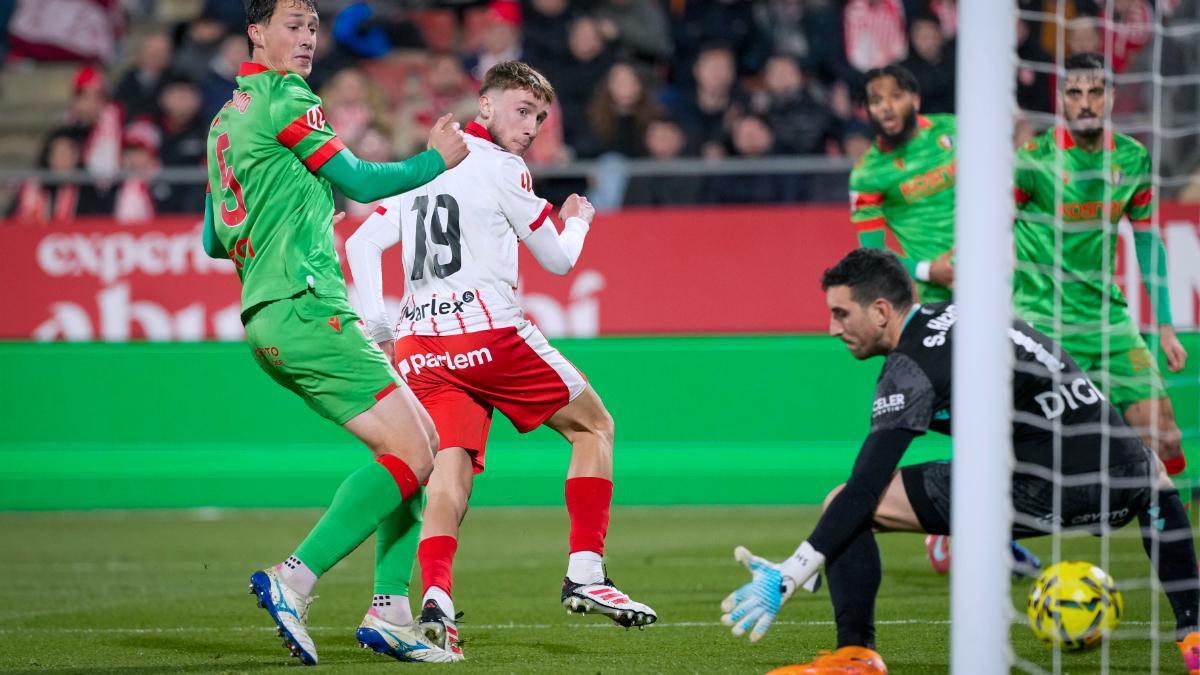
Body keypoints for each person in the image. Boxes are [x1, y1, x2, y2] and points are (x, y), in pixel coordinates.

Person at [720, 248, 1200, 674]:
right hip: (1123, 473)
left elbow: (866, 485)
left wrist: (791, 573)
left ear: (882, 311)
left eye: (842, 314)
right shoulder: (957, 317)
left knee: (845, 503)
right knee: (1155, 475)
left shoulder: (911, 366)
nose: (833, 329)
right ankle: (1195, 631)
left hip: (1036, 485)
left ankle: (855, 658)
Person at [345, 60, 657, 660]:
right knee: (595, 426)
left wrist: (380, 329)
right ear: (483, 108)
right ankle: (586, 572)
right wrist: (578, 223)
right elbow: (560, 261)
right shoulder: (504, 169)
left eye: (539, 117)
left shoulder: (423, 166)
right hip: (487, 335)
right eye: (521, 110)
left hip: (419, 347)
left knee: (449, 472)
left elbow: (359, 243)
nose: (531, 126)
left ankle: (435, 596)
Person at [199, 0, 468, 665]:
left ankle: (390, 611)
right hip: (308, 303)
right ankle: (296, 576)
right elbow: (361, 179)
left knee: (423, 444)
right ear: (256, 31)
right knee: (416, 451)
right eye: (292, 24)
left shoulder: (225, 121)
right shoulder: (288, 98)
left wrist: (282, 204)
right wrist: (436, 159)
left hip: (265, 316)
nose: (307, 38)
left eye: (313, 27)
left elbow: (212, 237)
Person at [1012, 52, 1189, 473]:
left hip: (1108, 322)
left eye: (1095, 92)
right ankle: (949, 531)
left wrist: (1165, 327)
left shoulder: (1132, 159)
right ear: (1061, 99)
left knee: (1164, 433)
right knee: (1017, 442)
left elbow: (1148, 244)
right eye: (1075, 93)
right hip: (1041, 321)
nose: (1085, 102)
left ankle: (1168, 534)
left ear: (1110, 96)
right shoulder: (1033, 160)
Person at [849, 64, 956, 304]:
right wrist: (928, 271)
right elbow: (873, 252)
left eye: (896, 96)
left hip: (1003, 272)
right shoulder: (867, 174)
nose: (886, 108)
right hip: (940, 297)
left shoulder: (952, 128)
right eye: (876, 101)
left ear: (915, 100)